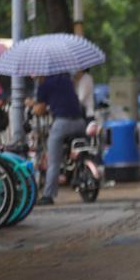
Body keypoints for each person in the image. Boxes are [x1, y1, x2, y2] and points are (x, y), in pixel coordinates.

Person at [33, 73, 86, 205]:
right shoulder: (66, 79)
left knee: (53, 161)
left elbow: (39, 110)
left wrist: (31, 105)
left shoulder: (44, 85)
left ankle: (48, 195)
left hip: (62, 123)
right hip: (80, 122)